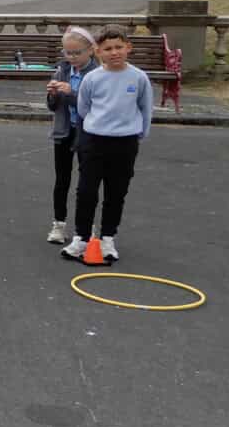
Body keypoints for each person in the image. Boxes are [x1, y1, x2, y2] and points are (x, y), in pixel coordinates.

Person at [61, 24, 152, 265]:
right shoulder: (92, 78)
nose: (114, 52)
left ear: (128, 48)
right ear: (98, 51)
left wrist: (138, 134)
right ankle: (81, 238)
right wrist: (97, 127)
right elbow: (84, 108)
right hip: (94, 141)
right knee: (86, 191)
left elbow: (145, 108)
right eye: (108, 48)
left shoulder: (138, 78)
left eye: (118, 47)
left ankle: (108, 238)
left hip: (125, 142)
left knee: (116, 192)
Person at [44, 27, 100, 245]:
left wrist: (71, 93)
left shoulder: (97, 74)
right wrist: (53, 95)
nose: (72, 57)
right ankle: (59, 224)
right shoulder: (62, 70)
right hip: (64, 131)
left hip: (89, 133)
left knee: (87, 182)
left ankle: (86, 227)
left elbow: (94, 105)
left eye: (77, 52)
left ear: (90, 51)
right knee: (62, 180)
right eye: (68, 52)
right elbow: (52, 106)